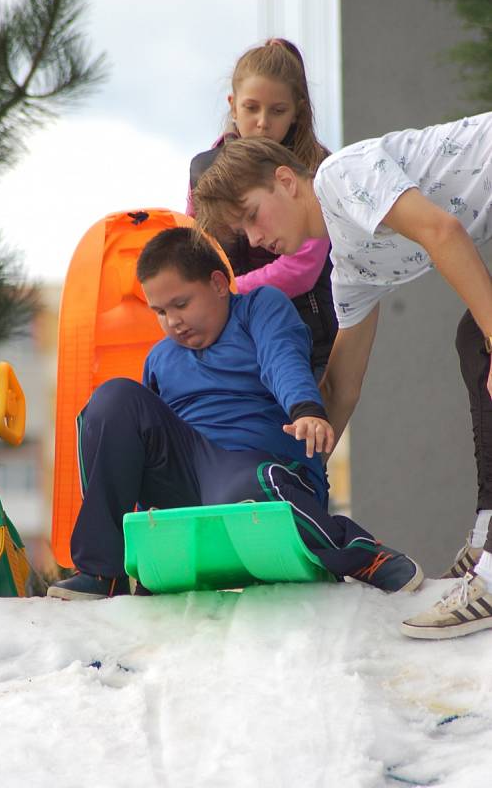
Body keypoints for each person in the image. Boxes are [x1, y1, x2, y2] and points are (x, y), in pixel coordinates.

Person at [191, 113, 492, 639]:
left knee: (481, 338)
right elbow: (340, 388)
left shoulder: (339, 175)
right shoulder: (353, 265)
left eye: (254, 217)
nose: (257, 239)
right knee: (475, 338)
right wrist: (283, 488)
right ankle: (487, 534)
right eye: (244, 233)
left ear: (286, 181)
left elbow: (442, 231)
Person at [48, 227, 423, 600]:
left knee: (240, 490)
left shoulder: (259, 307)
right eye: (160, 311)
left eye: (181, 304)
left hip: (256, 470)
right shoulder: (159, 357)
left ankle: (361, 554)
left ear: (217, 283)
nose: (172, 321)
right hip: (186, 480)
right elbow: (136, 443)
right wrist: (153, 556)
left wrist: (306, 409)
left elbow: (282, 358)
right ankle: (102, 573)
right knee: (114, 397)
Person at [186, 38, 337, 380]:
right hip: (230, 337)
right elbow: (193, 246)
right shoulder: (203, 170)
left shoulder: (316, 170)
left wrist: (227, 291)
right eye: (252, 108)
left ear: (297, 111)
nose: (263, 122)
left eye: (277, 110)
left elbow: (300, 269)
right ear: (233, 106)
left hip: (304, 338)